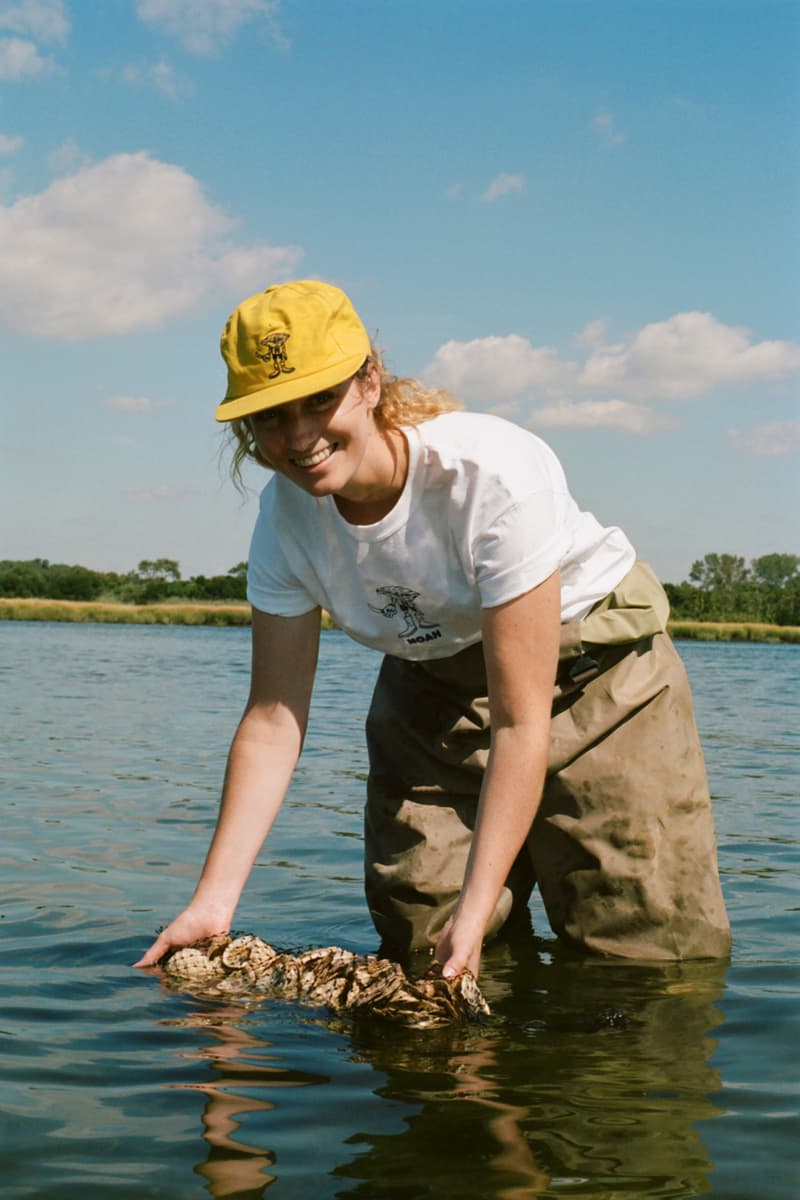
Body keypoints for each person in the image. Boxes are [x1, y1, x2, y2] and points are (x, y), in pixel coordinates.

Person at [136, 280, 731, 979]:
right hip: (433, 681)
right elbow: (272, 719)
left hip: (596, 677)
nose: (298, 439)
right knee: (427, 943)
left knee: (642, 948)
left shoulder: (489, 476)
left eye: (320, 400)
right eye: (270, 416)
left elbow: (519, 720)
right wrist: (213, 902)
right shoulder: (284, 521)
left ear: (369, 383)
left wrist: (477, 912)